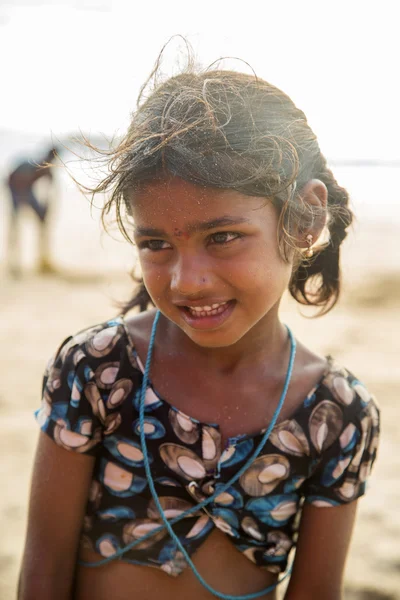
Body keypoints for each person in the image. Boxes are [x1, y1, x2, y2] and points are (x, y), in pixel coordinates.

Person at [18, 61, 380, 600]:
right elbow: (42, 573)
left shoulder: (335, 414)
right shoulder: (97, 368)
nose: (188, 282)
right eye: (156, 245)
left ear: (305, 219)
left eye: (224, 237)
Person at [6, 146, 58, 276]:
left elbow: (49, 193)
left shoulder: (48, 171)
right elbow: (15, 183)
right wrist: (24, 203)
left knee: (42, 223)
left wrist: (44, 210)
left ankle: (43, 260)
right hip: (15, 189)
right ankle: (14, 262)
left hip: (27, 190)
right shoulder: (31, 165)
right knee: (15, 226)